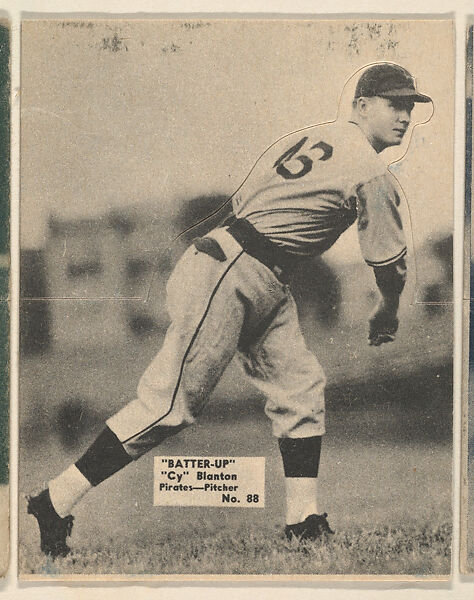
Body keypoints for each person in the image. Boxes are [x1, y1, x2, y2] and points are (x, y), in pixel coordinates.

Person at [27, 63, 431, 559]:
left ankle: (303, 520)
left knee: (300, 387)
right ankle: (55, 498)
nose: (405, 116)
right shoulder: (371, 172)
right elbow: (388, 265)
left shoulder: (309, 137)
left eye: (411, 106)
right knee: (169, 406)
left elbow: (243, 201)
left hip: (244, 266)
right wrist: (387, 311)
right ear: (362, 105)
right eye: (396, 103)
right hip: (233, 271)